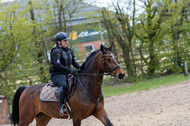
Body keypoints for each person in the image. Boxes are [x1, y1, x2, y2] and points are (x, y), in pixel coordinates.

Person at [49, 32, 80, 116]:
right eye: (64, 41)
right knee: (64, 86)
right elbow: (57, 64)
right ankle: (61, 107)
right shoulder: (56, 51)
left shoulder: (69, 51)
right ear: (59, 42)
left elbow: (74, 63)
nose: (66, 42)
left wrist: (81, 69)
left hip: (67, 73)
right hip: (57, 75)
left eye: (67, 41)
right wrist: (70, 71)